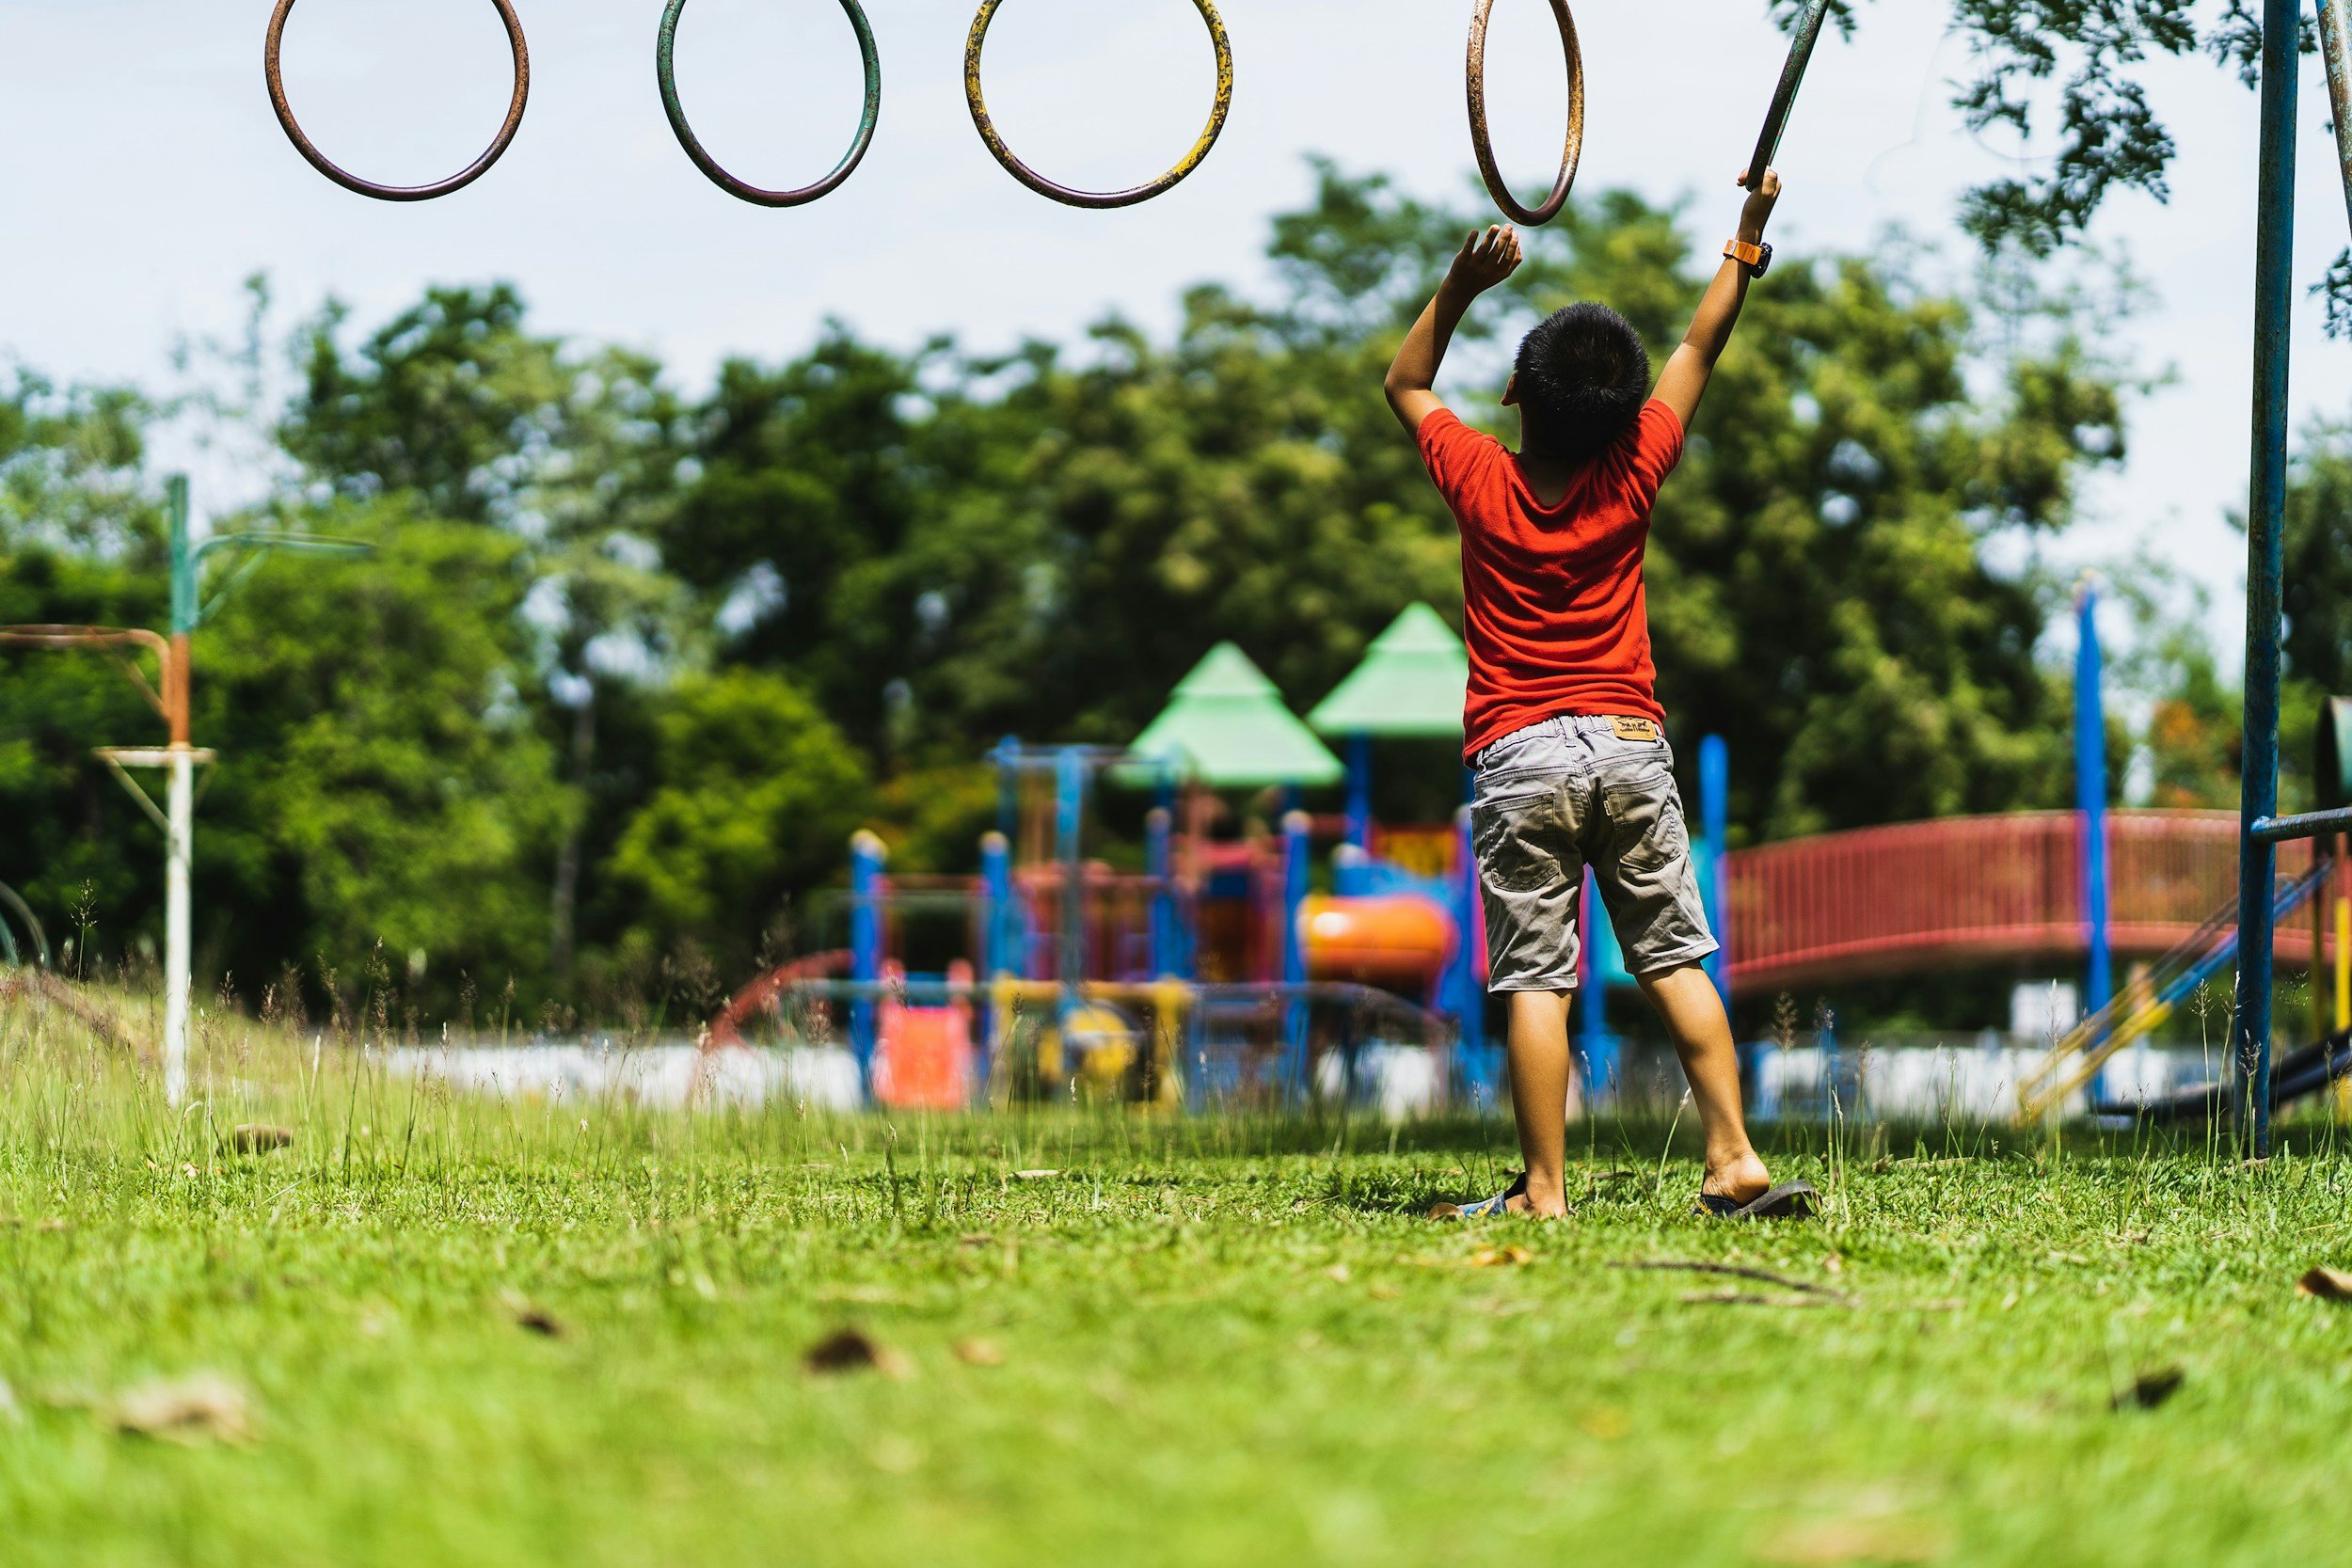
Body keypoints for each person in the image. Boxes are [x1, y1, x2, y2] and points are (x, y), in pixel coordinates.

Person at [1388, 167, 1812, 1221]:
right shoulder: (1635, 469)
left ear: (1514, 396)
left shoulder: (1479, 477)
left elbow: (1404, 383)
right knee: (1671, 955)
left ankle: (1544, 1191)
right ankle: (1732, 1155)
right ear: (1624, 416)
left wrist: (1454, 291)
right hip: (1626, 743)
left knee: (1537, 979)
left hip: (1518, 750)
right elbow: (1699, 344)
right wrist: (1745, 232)